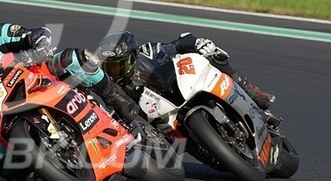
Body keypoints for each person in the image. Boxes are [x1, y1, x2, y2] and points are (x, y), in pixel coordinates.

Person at [0, 7, 139, 181]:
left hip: (40, 77)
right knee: (4, 167)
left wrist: (40, 45)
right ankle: (51, 160)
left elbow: (37, 33)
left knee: (74, 59)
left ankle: (117, 99)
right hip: (8, 114)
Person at [96, 31, 280, 124]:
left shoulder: (147, 52)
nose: (116, 72)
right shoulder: (114, 89)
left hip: (180, 86)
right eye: (110, 69)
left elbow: (176, 44)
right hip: (163, 120)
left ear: (132, 56)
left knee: (214, 55)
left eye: (119, 65)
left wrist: (197, 43)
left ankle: (253, 95)